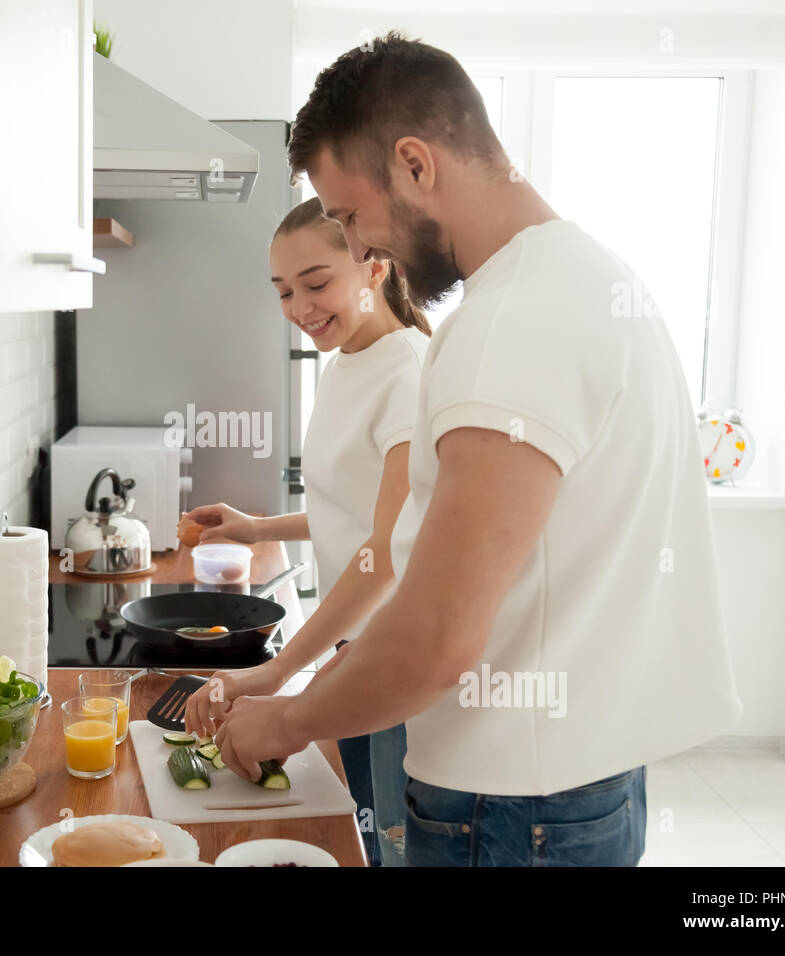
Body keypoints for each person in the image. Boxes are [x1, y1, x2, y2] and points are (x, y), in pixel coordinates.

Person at [212, 32, 743, 867]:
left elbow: (437, 634)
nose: (360, 253)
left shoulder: (508, 325)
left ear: (417, 165)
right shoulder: (592, 277)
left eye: (351, 218)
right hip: (584, 785)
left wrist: (283, 715)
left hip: (510, 810)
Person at [183, 195, 429, 867]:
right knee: (366, 838)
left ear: (374, 266)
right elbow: (350, 506)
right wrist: (259, 525)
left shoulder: (409, 372)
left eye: (316, 283)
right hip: (352, 647)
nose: (299, 307)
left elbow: (384, 546)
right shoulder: (345, 364)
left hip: (395, 659)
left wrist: (279, 671)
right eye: (284, 291)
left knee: (392, 851)